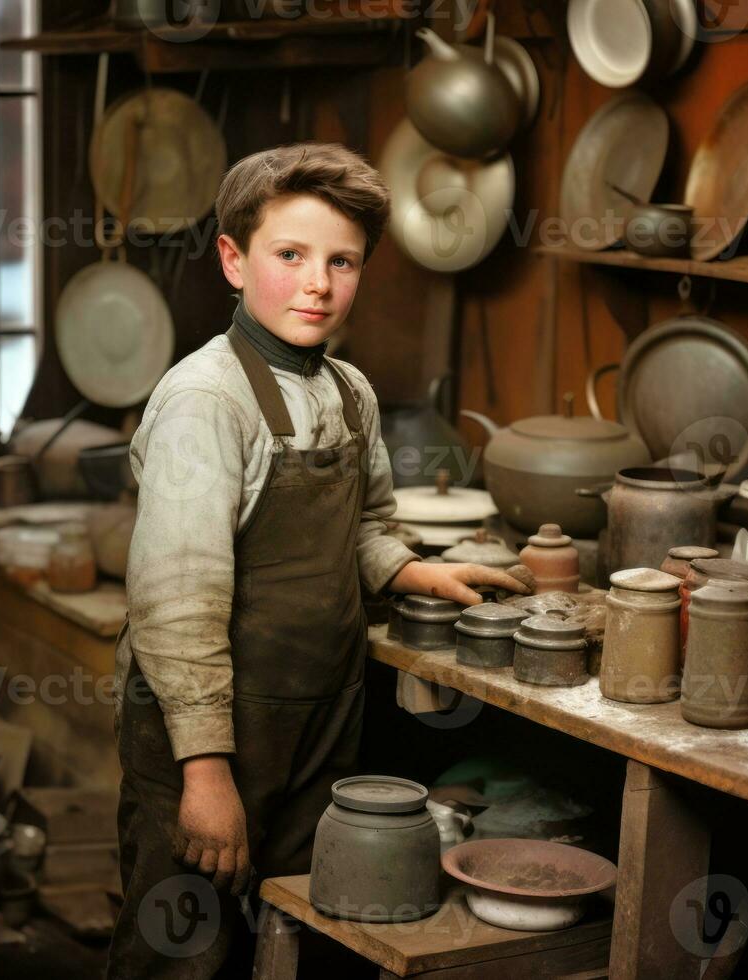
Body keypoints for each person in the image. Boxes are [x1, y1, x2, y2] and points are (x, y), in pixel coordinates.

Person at [106, 142, 528, 977]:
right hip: (207, 734)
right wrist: (206, 773)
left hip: (317, 725)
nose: (317, 284)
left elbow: (364, 526)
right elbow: (177, 605)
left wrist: (412, 571)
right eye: (289, 256)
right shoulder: (205, 402)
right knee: (183, 949)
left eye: (342, 262)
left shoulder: (348, 392)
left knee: (293, 935)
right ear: (233, 260)